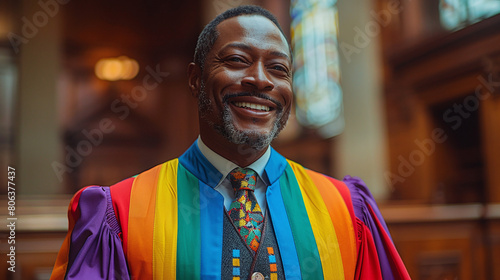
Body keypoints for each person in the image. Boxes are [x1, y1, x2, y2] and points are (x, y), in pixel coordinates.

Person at [51, 5, 410, 280]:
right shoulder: (119, 214)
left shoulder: (348, 212)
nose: (260, 80)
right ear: (195, 79)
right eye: (238, 60)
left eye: (278, 69)